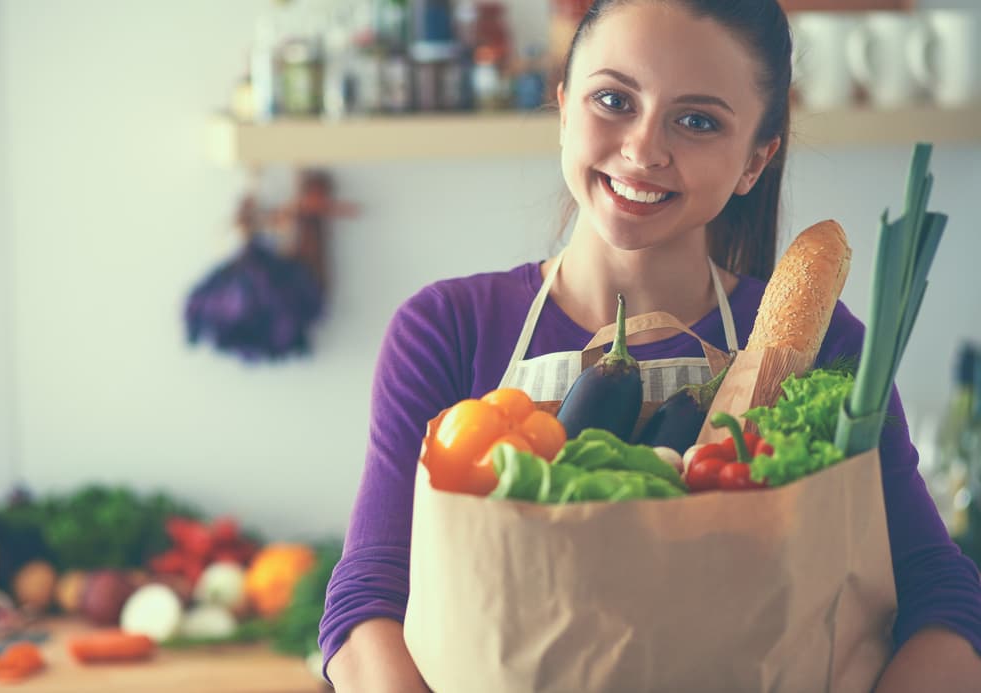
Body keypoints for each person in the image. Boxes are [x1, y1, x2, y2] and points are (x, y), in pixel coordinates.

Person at [319, 1, 981, 690]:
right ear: (564, 107)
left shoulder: (828, 345)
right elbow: (369, 596)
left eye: (697, 121)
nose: (643, 149)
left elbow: (942, 595)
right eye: (613, 99)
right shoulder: (450, 329)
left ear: (756, 159)